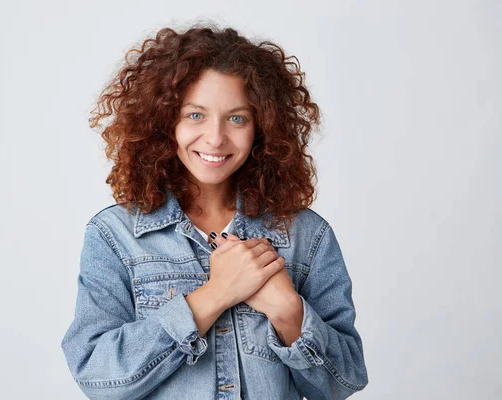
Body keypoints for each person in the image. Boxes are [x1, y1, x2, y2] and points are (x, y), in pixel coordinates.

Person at [61, 23, 368, 400]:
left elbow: (343, 382)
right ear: (164, 120)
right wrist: (215, 294)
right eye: (195, 115)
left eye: (236, 118)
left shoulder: (306, 235)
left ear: (262, 128)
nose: (215, 137)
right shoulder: (115, 235)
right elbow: (97, 377)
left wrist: (289, 311)